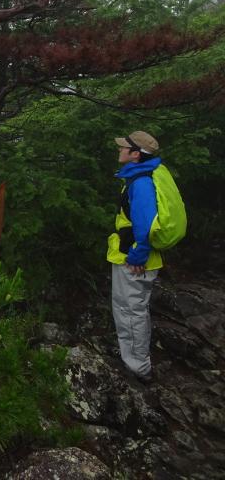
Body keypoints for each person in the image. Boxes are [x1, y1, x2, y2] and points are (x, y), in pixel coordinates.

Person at [107, 130, 163, 384]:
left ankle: (138, 368)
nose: (120, 150)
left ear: (136, 154)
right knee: (135, 310)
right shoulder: (139, 177)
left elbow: (145, 224)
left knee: (130, 311)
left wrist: (137, 257)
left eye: (124, 147)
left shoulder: (140, 182)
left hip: (134, 260)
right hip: (134, 256)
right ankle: (137, 360)